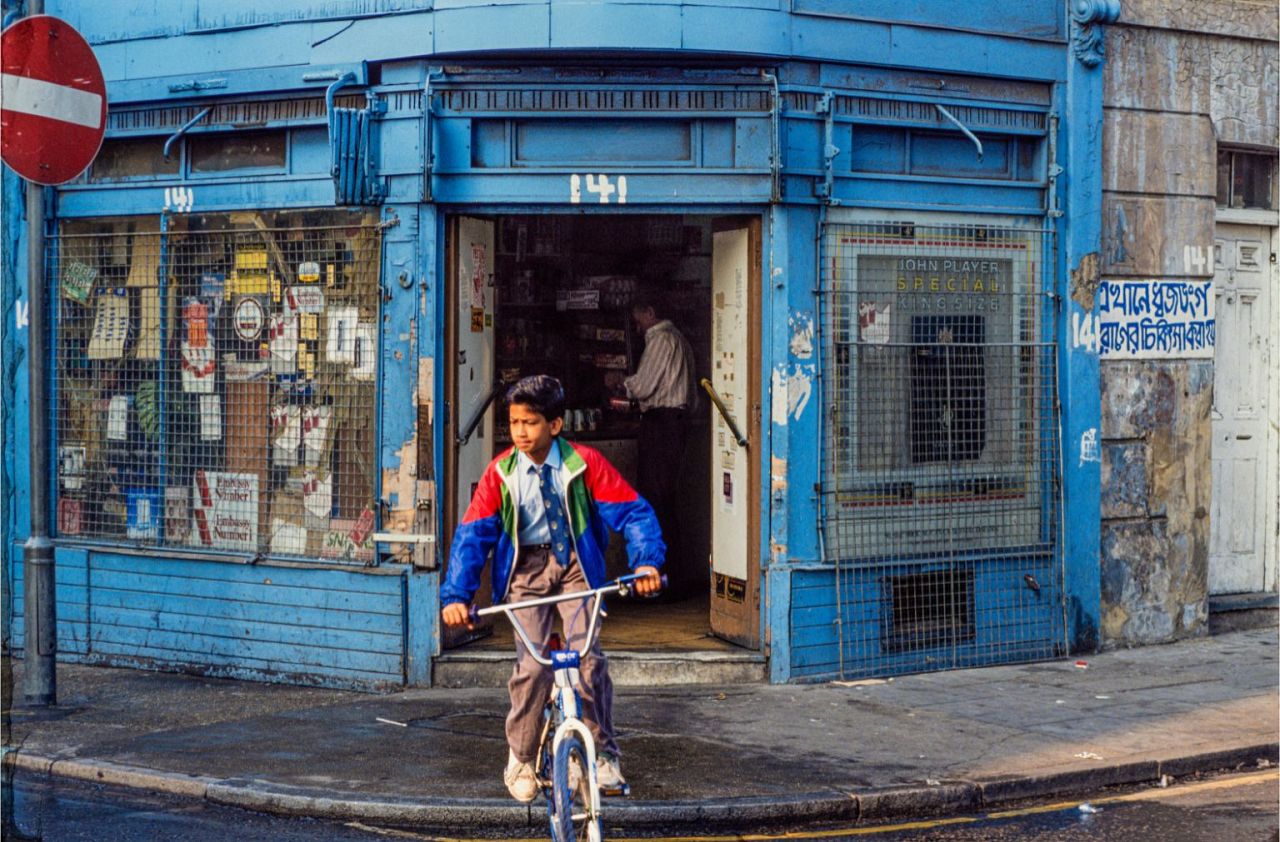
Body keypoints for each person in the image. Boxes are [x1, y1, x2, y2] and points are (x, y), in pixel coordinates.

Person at [441, 375, 665, 803]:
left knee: (589, 662)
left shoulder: (584, 463)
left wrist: (647, 563)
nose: (520, 432)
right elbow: (472, 536)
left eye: (531, 422)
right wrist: (456, 596)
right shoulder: (500, 473)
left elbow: (634, 513)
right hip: (525, 572)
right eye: (514, 423)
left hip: (576, 567)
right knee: (534, 666)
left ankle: (602, 756)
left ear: (556, 425)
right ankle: (522, 755)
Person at [605, 293, 697, 587]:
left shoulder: (661, 339)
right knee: (666, 501)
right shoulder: (679, 339)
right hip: (675, 424)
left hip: (662, 424)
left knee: (656, 501)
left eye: (638, 320)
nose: (637, 327)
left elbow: (643, 387)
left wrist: (620, 381)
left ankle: (662, 575)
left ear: (650, 311)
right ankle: (672, 575)